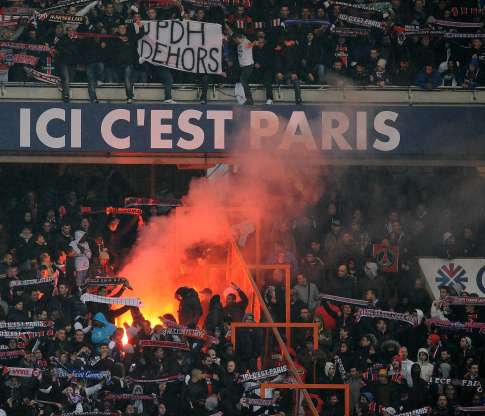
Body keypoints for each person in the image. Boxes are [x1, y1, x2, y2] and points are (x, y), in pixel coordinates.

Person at [232, 32, 254, 105]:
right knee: (242, 80)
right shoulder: (239, 44)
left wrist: (254, 43)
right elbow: (231, 32)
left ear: (237, 38)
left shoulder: (246, 42)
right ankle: (248, 99)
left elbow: (251, 45)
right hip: (243, 66)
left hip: (248, 65)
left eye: (235, 40)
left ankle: (249, 99)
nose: (235, 42)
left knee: (243, 80)